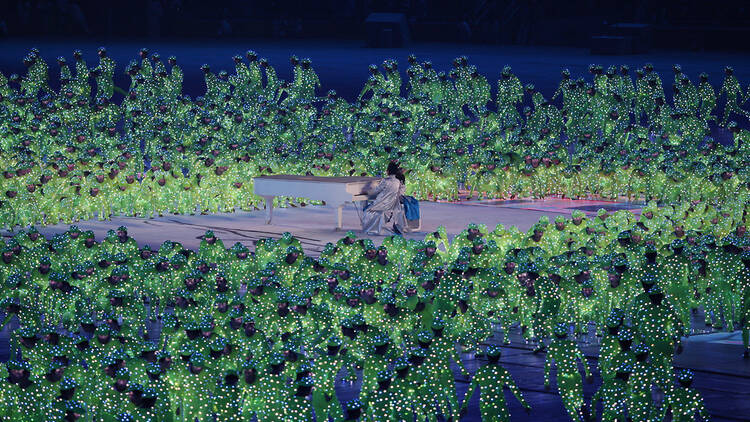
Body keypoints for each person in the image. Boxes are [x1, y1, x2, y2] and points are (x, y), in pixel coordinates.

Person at [361, 161, 406, 235]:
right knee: (370, 207)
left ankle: (371, 228)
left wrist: (367, 192)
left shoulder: (385, 181)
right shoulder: (397, 181)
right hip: (392, 204)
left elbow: (376, 191)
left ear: (388, 171)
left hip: (382, 204)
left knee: (367, 210)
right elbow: (400, 192)